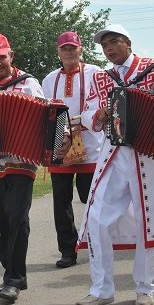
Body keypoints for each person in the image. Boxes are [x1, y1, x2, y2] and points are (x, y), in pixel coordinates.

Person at [75, 24, 154, 305]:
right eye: (105, 45)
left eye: (114, 42)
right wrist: (100, 113)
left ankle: (145, 287)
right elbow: (90, 112)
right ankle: (102, 289)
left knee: (149, 219)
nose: (109, 49)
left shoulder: (153, 69)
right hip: (114, 151)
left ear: (127, 43)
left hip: (150, 153)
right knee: (96, 217)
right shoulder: (102, 78)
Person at [0, 32, 70, 303]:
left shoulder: (29, 84)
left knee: (17, 217)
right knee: (3, 218)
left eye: (0, 58)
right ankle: (9, 270)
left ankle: (15, 280)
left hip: (23, 162)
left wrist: (61, 136)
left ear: (11, 56)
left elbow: (50, 117)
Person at [41, 31, 103, 268]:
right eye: (64, 48)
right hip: (60, 142)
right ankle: (68, 250)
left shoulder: (96, 73)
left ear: (81, 49)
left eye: (72, 47)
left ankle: (97, 244)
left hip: (92, 144)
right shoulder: (49, 79)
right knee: (61, 202)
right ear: (58, 52)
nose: (68, 52)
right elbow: (46, 111)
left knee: (92, 200)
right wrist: (61, 134)